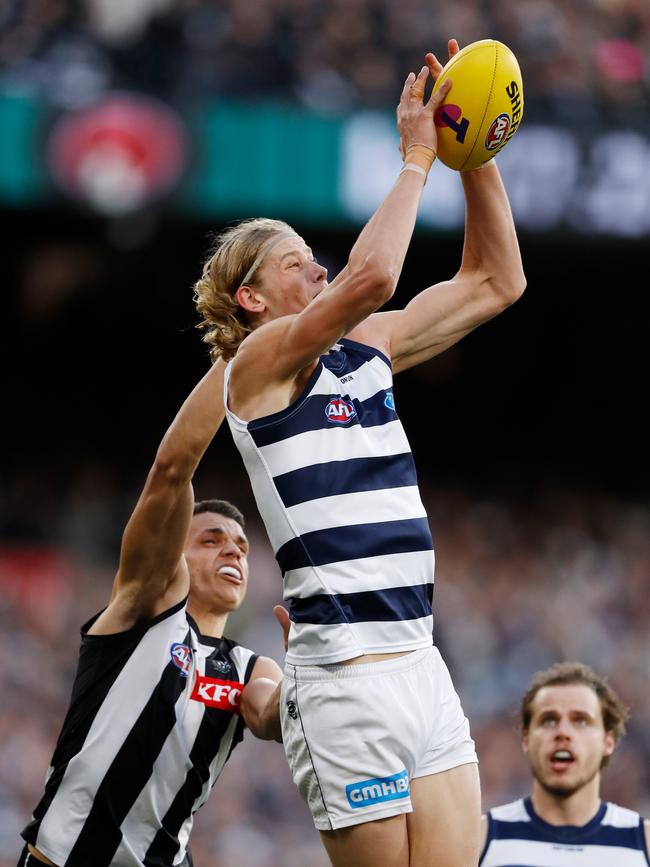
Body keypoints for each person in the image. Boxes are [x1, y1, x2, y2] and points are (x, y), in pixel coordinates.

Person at [192, 38, 526, 867]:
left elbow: (497, 281)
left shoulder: (367, 347)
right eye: (297, 262)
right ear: (251, 296)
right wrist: (417, 156)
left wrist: (470, 145)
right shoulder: (253, 369)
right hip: (343, 675)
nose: (320, 264)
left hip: (419, 655)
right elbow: (373, 276)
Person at [18, 359, 284, 867]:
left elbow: (268, 715)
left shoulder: (251, 667)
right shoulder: (144, 611)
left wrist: (305, 687)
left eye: (243, 548)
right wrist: (234, 354)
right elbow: (170, 472)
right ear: (174, 555)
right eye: (212, 540)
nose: (233, 552)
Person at [479, 661, 650, 866]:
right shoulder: (481, 839)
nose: (563, 732)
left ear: (608, 741)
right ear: (526, 739)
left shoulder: (645, 843)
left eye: (581, 721)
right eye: (549, 720)